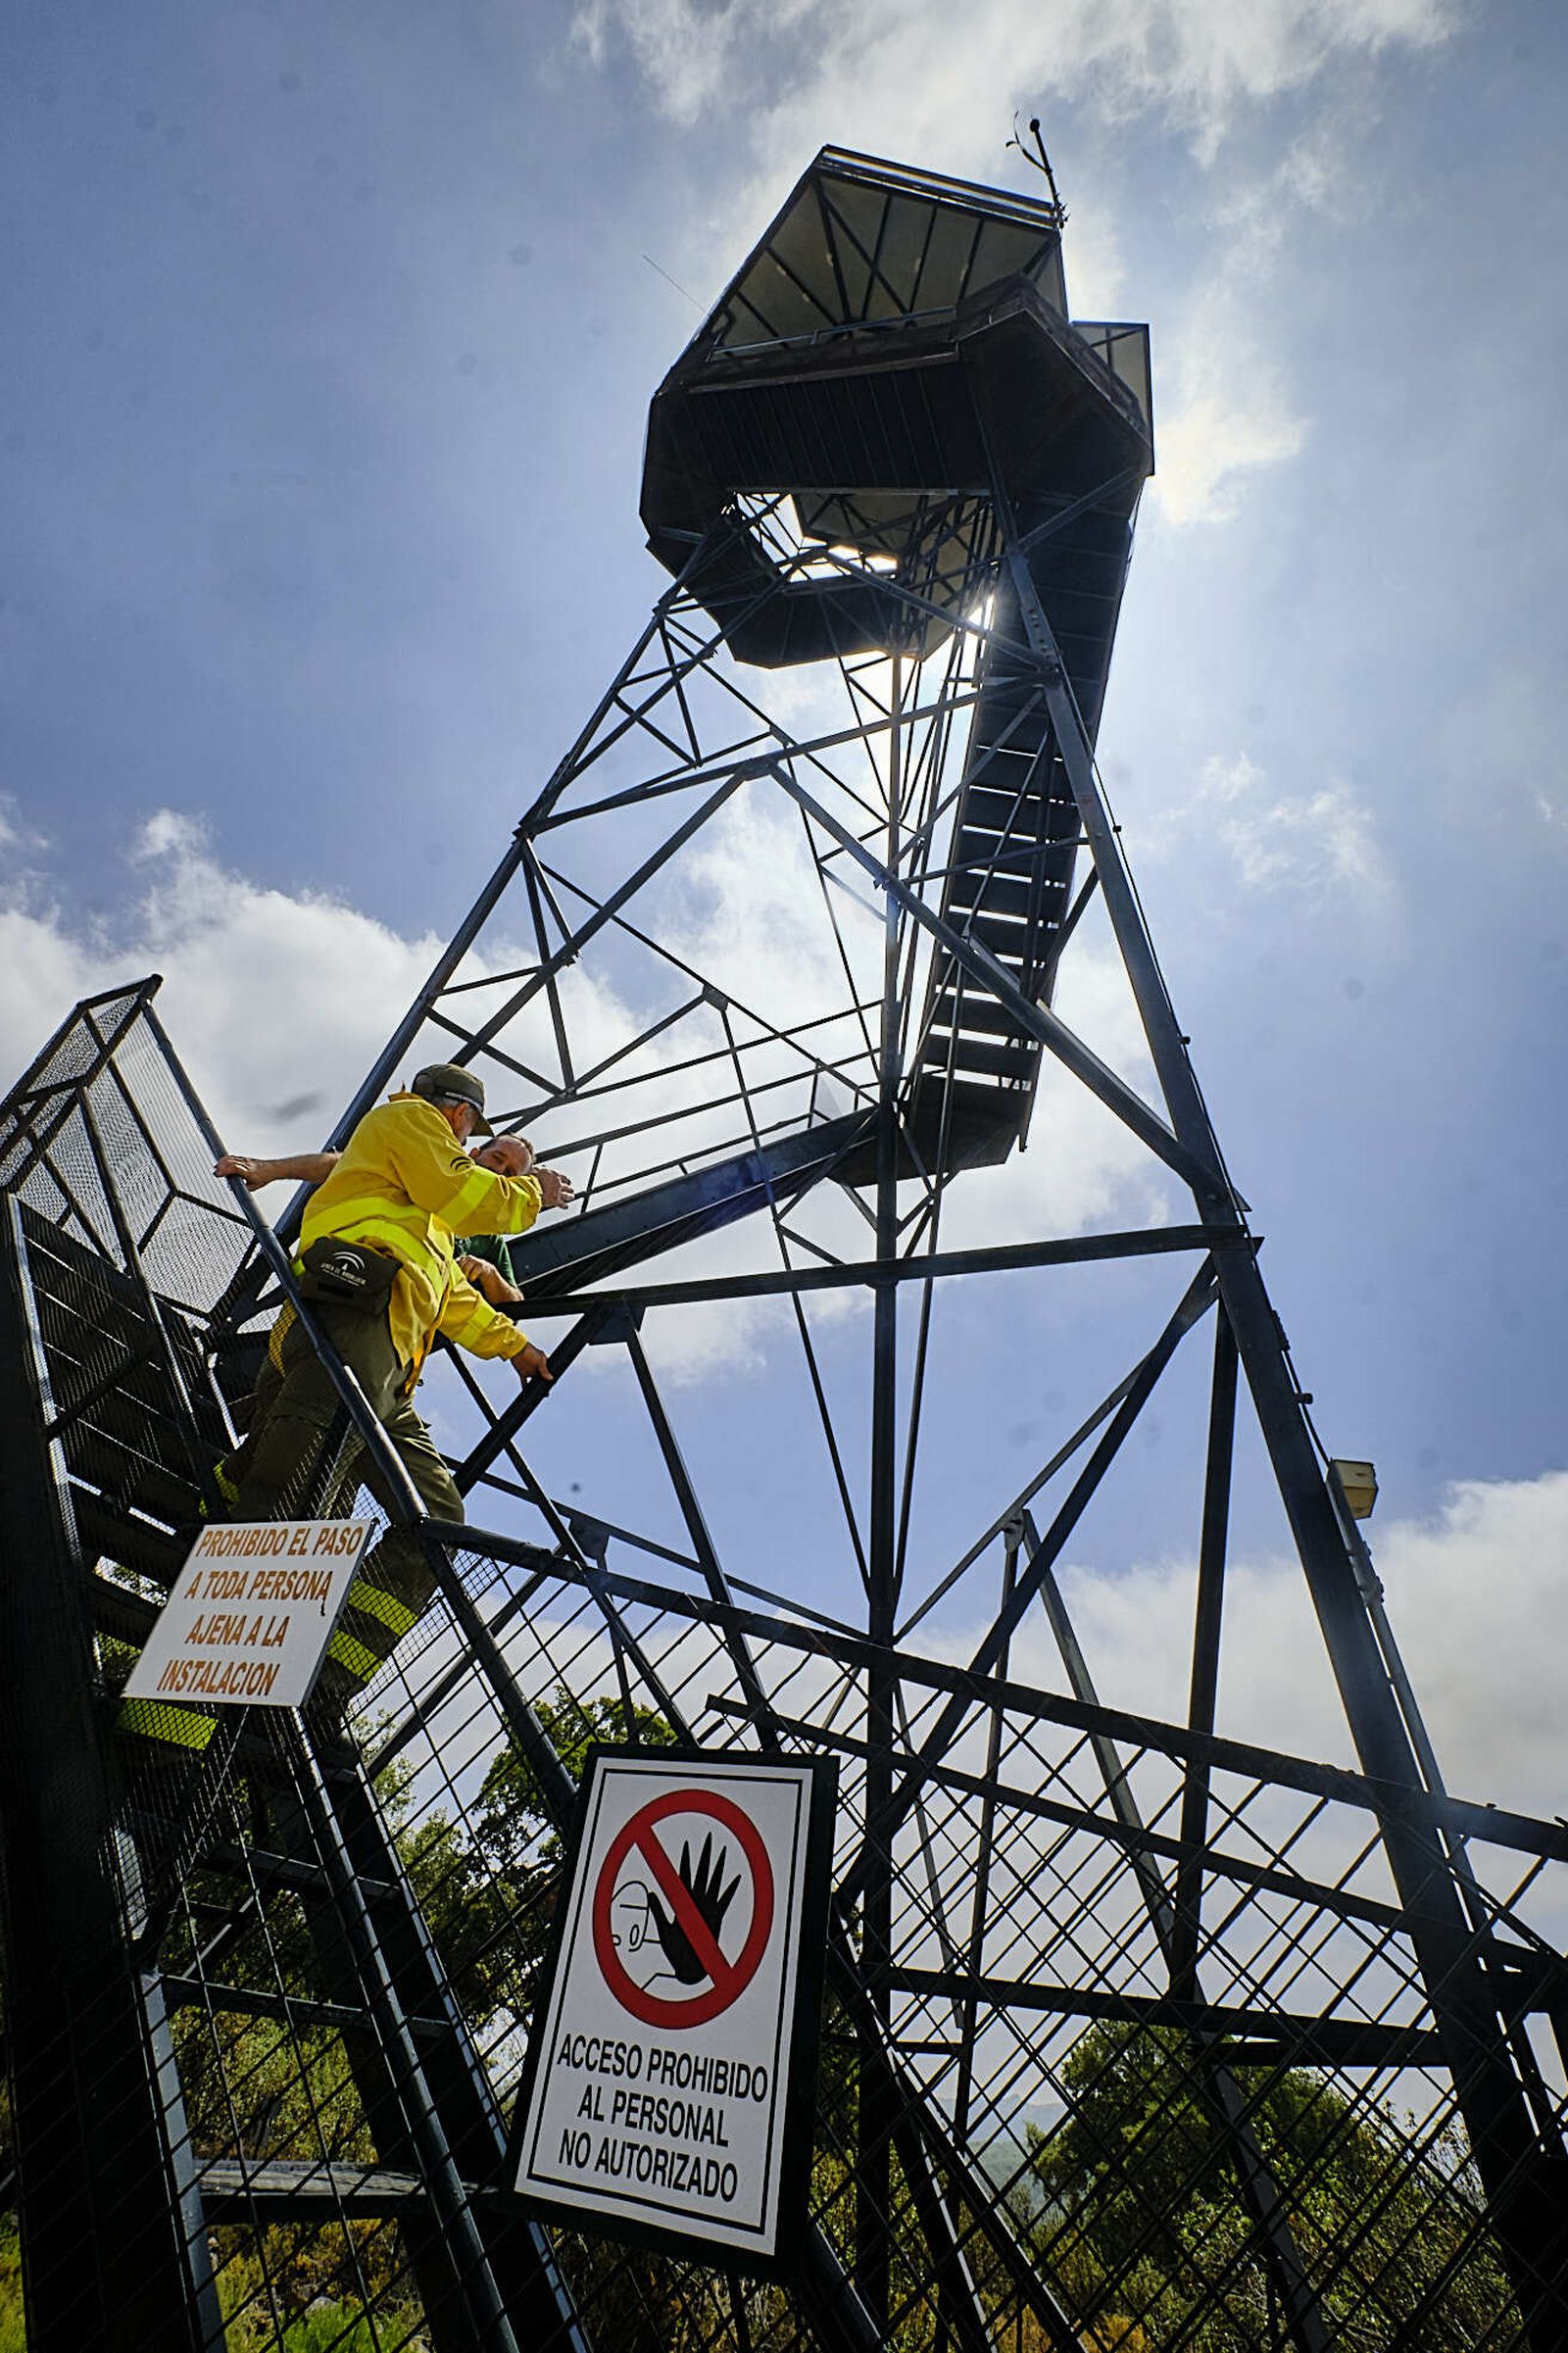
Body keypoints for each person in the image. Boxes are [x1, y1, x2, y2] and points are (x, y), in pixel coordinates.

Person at [217, 1060, 573, 1706]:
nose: (489, 1161)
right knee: (289, 1505)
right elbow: (463, 1192)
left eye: (511, 1166)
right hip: (351, 1322)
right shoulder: (412, 1122)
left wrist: (516, 1344)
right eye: (489, 1149)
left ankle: (326, 1682)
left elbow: (453, 1301)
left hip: (388, 1372)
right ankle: (181, 1728)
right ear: (462, 1120)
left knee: (438, 1516)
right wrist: (535, 1195)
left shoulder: (430, 1220)